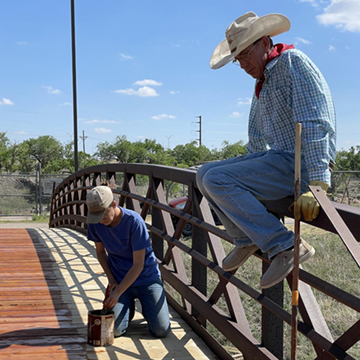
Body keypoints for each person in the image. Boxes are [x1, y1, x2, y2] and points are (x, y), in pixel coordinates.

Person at [196, 12, 336, 289]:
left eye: (246, 54)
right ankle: (245, 238)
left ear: (266, 42)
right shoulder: (265, 80)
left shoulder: (292, 63)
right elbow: (257, 135)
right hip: (279, 157)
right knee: (204, 174)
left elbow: (315, 121)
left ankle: (286, 246)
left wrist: (318, 183)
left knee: (216, 179)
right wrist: (248, 166)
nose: (242, 64)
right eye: (238, 59)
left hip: (301, 163)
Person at [86, 183, 170, 337]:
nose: (100, 220)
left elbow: (138, 264)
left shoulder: (134, 221)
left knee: (161, 330)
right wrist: (112, 282)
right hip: (119, 278)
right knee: (114, 331)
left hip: (147, 279)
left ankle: (146, 306)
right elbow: (100, 252)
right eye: (95, 216)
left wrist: (117, 293)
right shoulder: (95, 224)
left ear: (113, 204)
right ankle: (127, 307)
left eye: (103, 214)